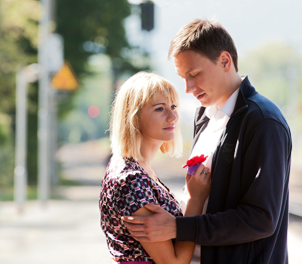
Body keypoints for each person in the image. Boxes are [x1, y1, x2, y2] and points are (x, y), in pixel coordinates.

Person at [122, 19, 292, 264]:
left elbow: (261, 218)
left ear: (225, 61)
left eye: (194, 74)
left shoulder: (264, 122)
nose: (188, 88)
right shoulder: (204, 115)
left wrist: (179, 228)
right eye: (183, 77)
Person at [99, 72, 211, 264]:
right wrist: (196, 198)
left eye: (173, 106)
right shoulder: (131, 178)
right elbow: (174, 263)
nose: (173, 116)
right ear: (133, 117)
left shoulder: (131, 167)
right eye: (160, 109)